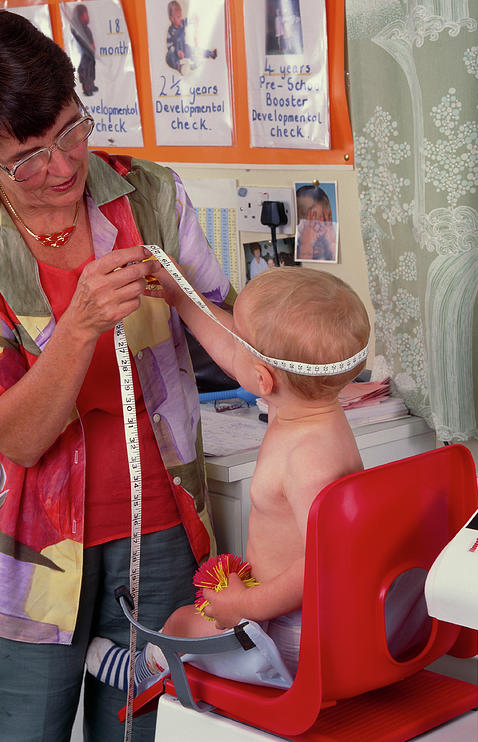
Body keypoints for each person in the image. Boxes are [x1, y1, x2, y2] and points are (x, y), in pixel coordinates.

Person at [0, 10, 233, 742]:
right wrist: (81, 322)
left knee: (148, 728)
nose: (62, 167)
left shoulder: (149, 195)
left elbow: (222, 323)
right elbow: (16, 439)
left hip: (160, 527)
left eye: (70, 131)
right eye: (26, 158)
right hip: (28, 548)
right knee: (19, 729)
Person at [86, 266, 371, 690]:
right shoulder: (313, 414)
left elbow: (323, 561)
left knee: (182, 621)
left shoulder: (308, 460)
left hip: (290, 634)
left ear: (261, 380)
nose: (230, 342)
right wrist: (180, 296)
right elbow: (226, 346)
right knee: (193, 617)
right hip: (290, 614)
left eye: (241, 341)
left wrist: (247, 604)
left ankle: (141, 670)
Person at [165, 0, 217, 74]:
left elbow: (188, 20)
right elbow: (169, 46)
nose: (180, 18)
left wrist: (194, 19)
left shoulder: (182, 23)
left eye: (181, 16)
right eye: (178, 17)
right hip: (176, 52)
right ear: (172, 19)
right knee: (169, 56)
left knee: (194, 50)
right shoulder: (170, 32)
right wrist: (177, 51)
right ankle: (180, 67)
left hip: (184, 48)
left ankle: (209, 54)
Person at [295, 184, 335, 261]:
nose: (321, 231)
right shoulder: (296, 246)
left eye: (325, 222)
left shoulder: (330, 241)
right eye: (313, 224)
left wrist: (332, 243)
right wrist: (306, 244)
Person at [71, 4, 97, 97]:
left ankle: (92, 84)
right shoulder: (77, 29)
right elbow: (81, 41)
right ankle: (86, 88)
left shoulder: (86, 28)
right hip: (84, 54)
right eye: (86, 15)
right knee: (85, 70)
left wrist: (92, 45)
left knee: (91, 68)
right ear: (80, 16)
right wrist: (89, 46)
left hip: (90, 54)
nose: (88, 17)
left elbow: (90, 38)